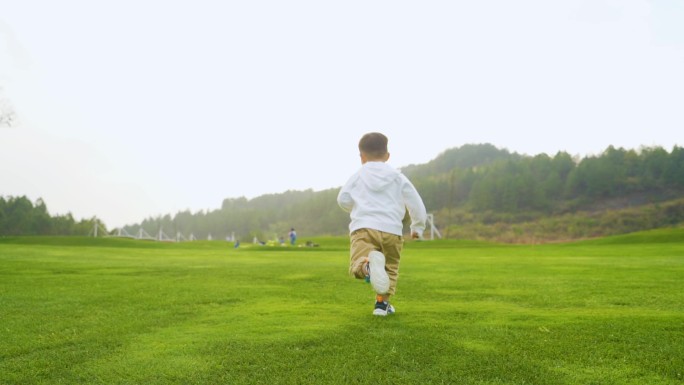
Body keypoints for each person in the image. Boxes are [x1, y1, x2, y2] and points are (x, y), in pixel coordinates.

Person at [337, 132, 427, 316]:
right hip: (392, 230)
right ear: (387, 156)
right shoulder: (397, 176)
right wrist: (417, 226)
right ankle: (381, 305)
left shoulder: (358, 175)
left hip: (364, 227)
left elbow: (343, 199)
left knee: (358, 265)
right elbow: (415, 201)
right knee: (390, 269)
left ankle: (368, 267)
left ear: (362, 157)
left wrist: (354, 207)